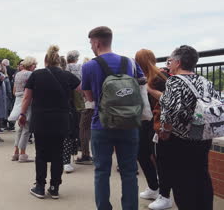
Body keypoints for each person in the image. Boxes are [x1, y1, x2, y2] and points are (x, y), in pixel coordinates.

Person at [148, 45, 219, 210]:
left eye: (170, 60)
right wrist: (153, 91)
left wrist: (165, 131)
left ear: (178, 63)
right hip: (202, 135)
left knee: (181, 179)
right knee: (202, 174)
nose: (169, 64)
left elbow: (170, 110)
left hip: (180, 139)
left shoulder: (174, 81)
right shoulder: (204, 81)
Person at [82, 26, 143, 210]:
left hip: (102, 125)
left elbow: (90, 97)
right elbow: (141, 84)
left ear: (97, 42)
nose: (91, 46)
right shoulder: (130, 63)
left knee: (102, 171)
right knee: (129, 172)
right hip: (130, 123)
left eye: (91, 43)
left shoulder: (89, 66)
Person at [19, 45, 80, 199]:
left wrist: (22, 114)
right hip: (61, 119)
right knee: (58, 153)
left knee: (41, 153)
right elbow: (82, 90)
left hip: (41, 119)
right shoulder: (67, 76)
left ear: (45, 60)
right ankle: (54, 187)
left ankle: (40, 186)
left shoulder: (36, 75)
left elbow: (27, 97)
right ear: (58, 61)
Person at [135, 49, 172, 210]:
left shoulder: (160, 77)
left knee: (160, 158)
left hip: (159, 123)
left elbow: (168, 100)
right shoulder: (149, 77)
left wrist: (148, 89)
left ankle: (165, 196)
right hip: (148, 121)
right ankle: (154, 187)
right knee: (142, 153)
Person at [8, 56, 37, 162]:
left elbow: (14, 90)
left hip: (18, 100)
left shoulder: (18, 74)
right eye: (34, 64)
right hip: (27, 101)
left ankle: (16, 152)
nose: (35, 66)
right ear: (31, 64)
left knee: (20, 128)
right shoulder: (30, 74)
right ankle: (22, 153)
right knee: (27, 128)